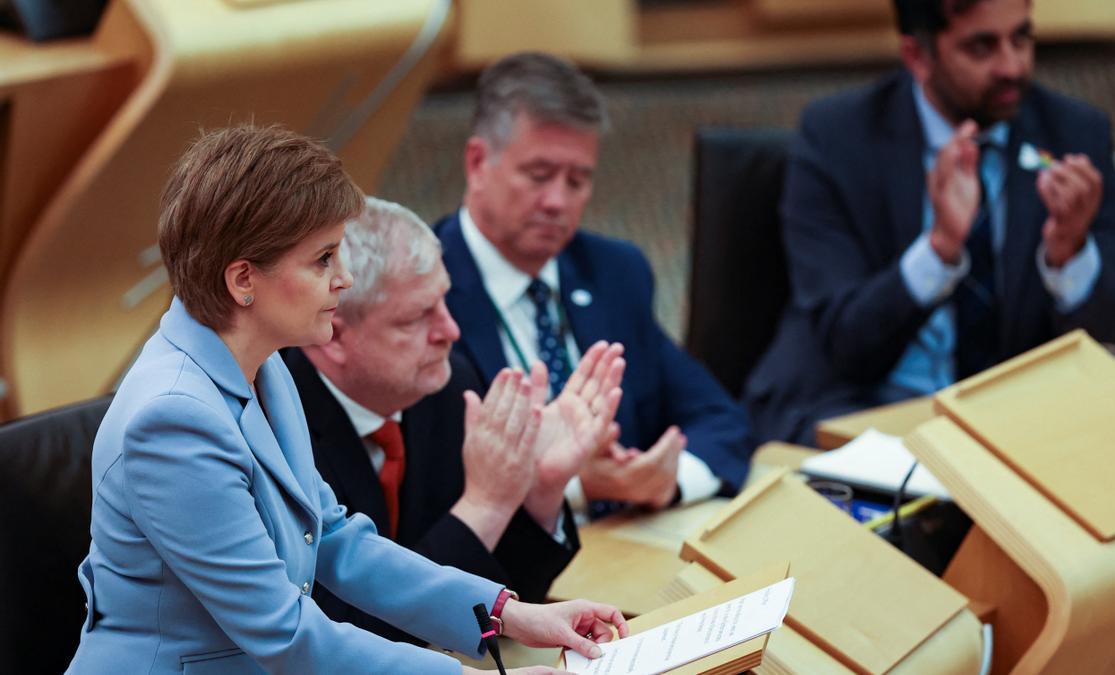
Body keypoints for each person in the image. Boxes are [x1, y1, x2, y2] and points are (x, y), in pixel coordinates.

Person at [67, 125, 626, 674]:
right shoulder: (173, 421)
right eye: (324, 259)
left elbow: (334, 539)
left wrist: (508, 614)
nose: (346, 279)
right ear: (243, 281)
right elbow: (285, 633)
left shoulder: (263, 365)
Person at [744, 0, 1115, 445]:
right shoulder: (836, 137)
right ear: (918, 57)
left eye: (1021, 38)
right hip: (867, 407)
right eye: (981, 47)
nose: (1012, 66)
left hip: (1012, 422)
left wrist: (1070, 253)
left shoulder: (1074, 134)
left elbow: (1108, 342)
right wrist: (940, 250)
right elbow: (845, 345)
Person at [283, 197, 624, 640]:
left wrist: (538, 488)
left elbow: (508, 600)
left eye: (443, 301)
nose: (450, 330)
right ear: (332, 334)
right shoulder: (277, 426)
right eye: (416, 317)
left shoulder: (443, 382)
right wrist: (486, 506)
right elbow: (338, 636)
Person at [434, 51, 754, 518]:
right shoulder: (423, 293)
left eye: (578, 181)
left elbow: (721, 420)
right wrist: (574, 486)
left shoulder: (614, 271)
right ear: (479, 162)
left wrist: (667, 479)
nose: (557, 201)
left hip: (630, 544)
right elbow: (432, 485)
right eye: (538, 175)